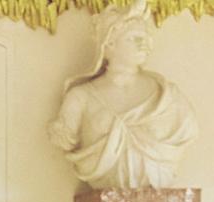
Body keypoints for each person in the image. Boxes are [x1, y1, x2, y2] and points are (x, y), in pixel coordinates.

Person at [48, 0, 198, 189]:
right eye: (133, 38)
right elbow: (63, 138)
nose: (143, 44)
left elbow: (190, 130)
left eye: (145, 38)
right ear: (109, 44)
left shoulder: (169, 97)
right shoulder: (80, 98)